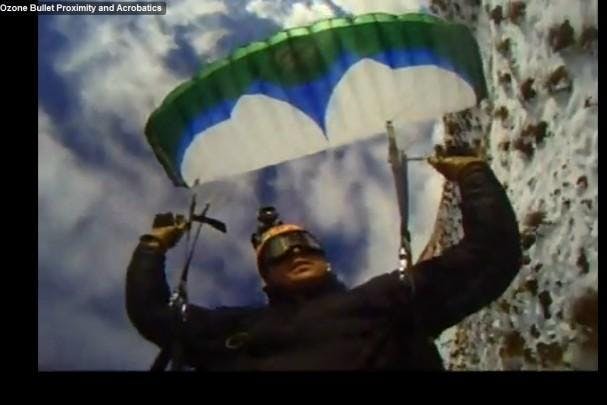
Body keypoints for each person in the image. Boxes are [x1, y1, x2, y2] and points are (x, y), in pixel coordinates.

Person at [126, 155, 522, 370]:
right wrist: (152, 247)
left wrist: (472, 174)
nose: (296, 251)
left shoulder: (385, 299)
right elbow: (153, 314)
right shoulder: (237, 330)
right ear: (266, 274)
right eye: (279, 251)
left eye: (303, 242)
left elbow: (489, 255)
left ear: (324, 257)